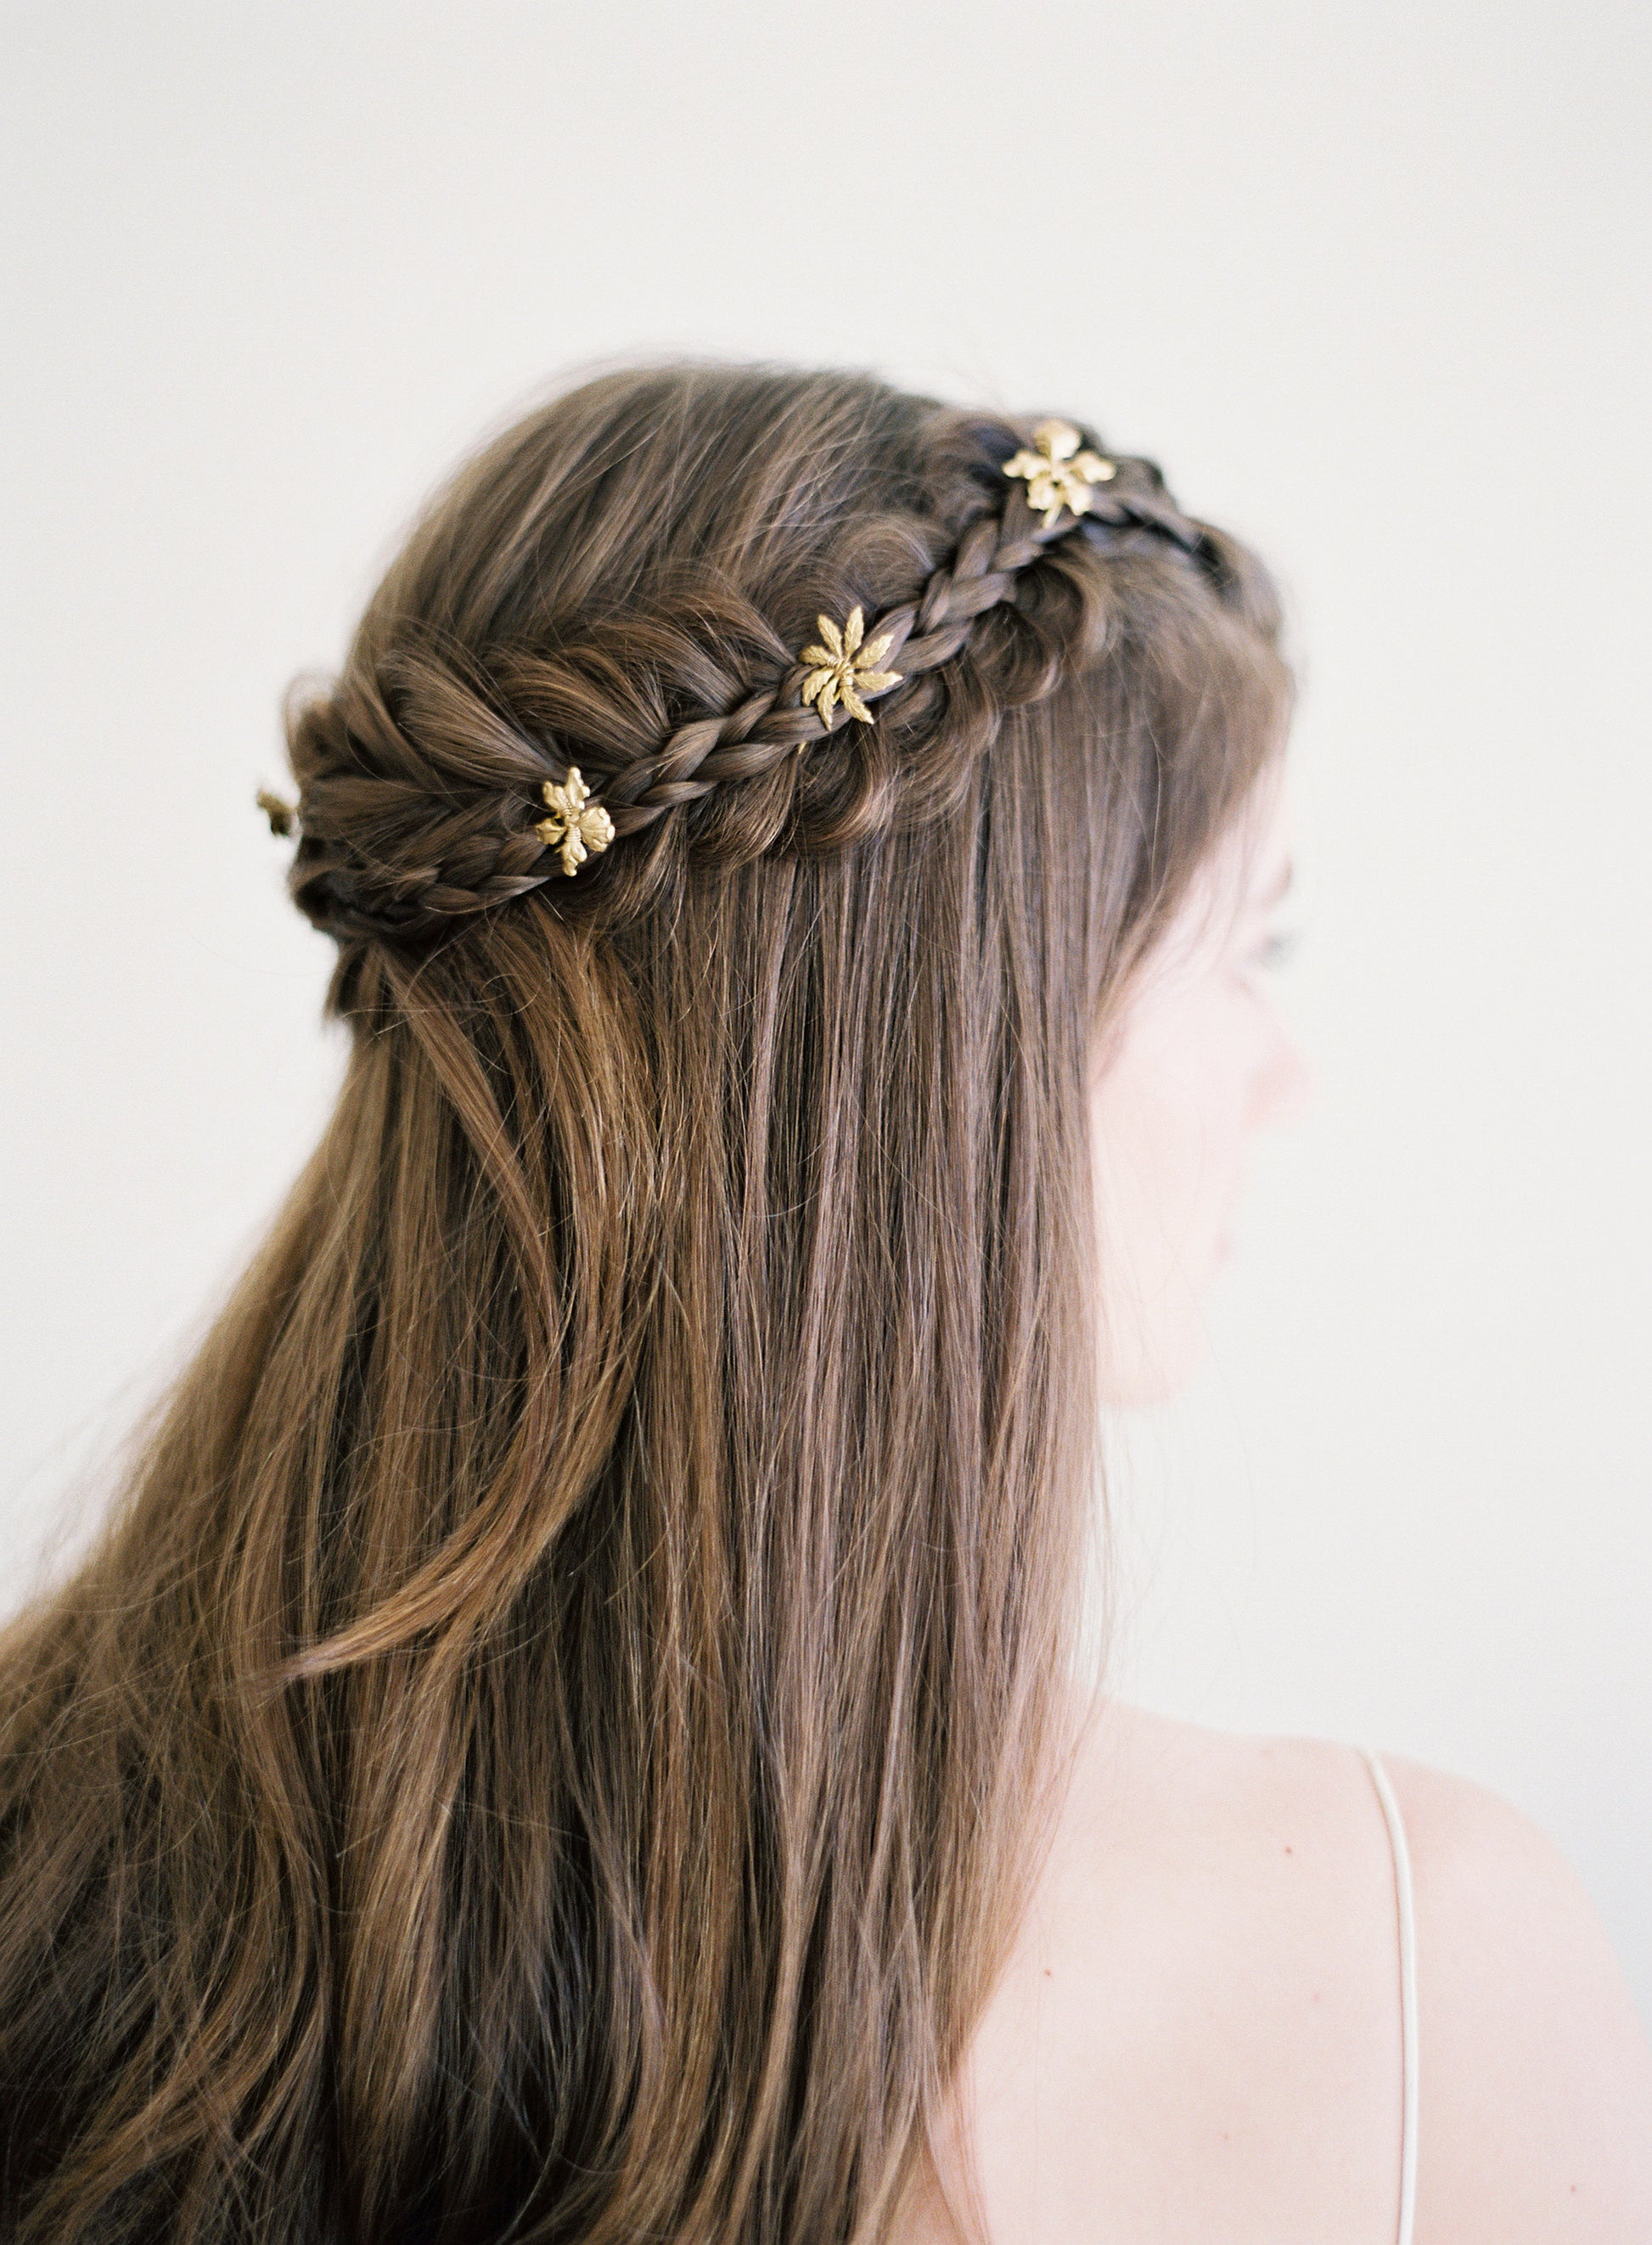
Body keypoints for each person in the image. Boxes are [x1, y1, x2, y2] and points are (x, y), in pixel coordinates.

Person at [0, 363, 1646, 2245]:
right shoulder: (1419, 1971)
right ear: (967, 1053)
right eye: (1245, 943)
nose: (1289, 1076)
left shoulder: (49, 1881)